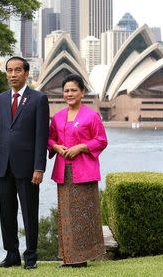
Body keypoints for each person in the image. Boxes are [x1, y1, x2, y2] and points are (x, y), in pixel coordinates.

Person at [0, 56, 49, 270]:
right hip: (4, 166)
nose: (12, 75)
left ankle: (31, 257)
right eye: (9, 70)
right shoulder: (1, 99)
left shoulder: (38, 99)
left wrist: (39, 167)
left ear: (26, 73)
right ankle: (12, 254)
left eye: (17, 70)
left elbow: (41, 135)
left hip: (27, 168)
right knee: (6, 213)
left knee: (29, 213)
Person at [48, 74, 108, 268]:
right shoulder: (57, 117)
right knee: (66, 215)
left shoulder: (91, 116)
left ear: (82, 92)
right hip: (63, 172)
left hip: (84, 172)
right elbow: (50, 139)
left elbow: (101, 140)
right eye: (66, 91)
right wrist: (56, 147)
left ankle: (81, 258)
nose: (70, 94)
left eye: (74, 90)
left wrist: (81, 147)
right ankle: (69, 258)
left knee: (84, 214)